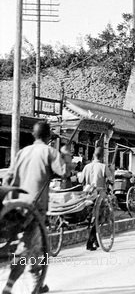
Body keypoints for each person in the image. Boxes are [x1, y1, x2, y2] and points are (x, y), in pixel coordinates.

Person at [3, 121, 71, 294]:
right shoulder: (50, 152)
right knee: (28, 247)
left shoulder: (22, 152)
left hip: (15, 205)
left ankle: (38, 282)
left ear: (34, 135)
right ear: (48, 137)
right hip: (35, 207)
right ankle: (9, 287)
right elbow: (64, 173)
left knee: (34, 245)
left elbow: (8, 179)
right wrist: (65, 156)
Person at [78, 146, 113, 250]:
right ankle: (90, 241)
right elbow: (111, 179)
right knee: (100, 217)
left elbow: (80, 180)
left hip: (88, 194)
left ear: (93, 155)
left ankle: (96, 241)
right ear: (102, 156)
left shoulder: (86, 166)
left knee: (93, 217)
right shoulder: (103, 166)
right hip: (99, 195)